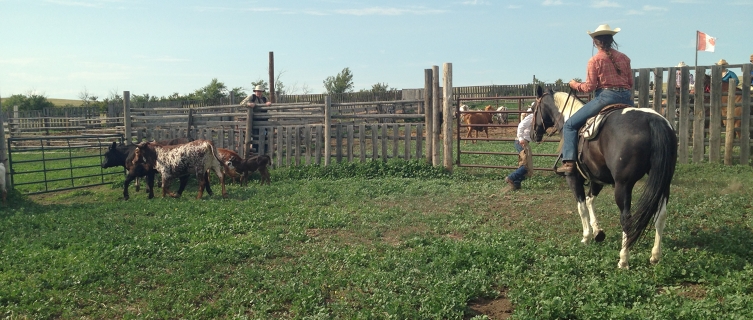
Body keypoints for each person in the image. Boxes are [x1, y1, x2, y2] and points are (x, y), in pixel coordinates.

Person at [557, 24, 634, 174]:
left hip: (606, 97)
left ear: (594, 42)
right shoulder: (625, 58)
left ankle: (569, 163)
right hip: (626, 98)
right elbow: (630, 83)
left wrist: (574, 84)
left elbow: (590, 87)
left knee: (569, 125)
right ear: (612, 40)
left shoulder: (595, 60)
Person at [505, 107, 534, 190]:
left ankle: (516, 183)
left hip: (523, 141)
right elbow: (521, 126)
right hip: (521, 142)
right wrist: (521, 138)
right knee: (526, 165)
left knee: (524, 164)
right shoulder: (531, 116)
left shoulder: (533, 117)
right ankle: (511, 178)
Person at [239, 85, 272, 154]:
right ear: (255, 91)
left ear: (262, 92)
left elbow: (268, 103)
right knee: (256, 136)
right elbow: (242, 103)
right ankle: (256, 152)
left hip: (264, 120)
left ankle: (264, 151)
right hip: (255, 120)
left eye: (260, 91)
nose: (259, 93)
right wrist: (248, 104)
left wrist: (268, 104)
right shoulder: (252, 97)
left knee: (265, 135)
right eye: (257, 91)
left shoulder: (264, 98)